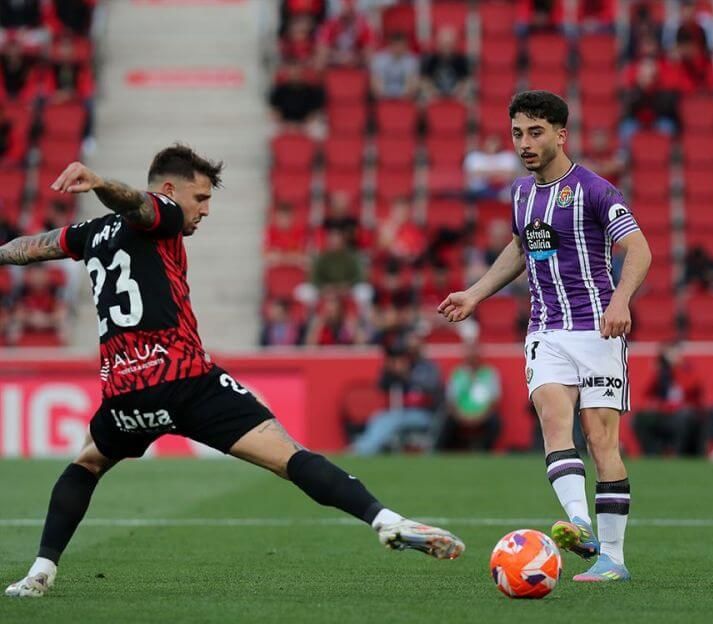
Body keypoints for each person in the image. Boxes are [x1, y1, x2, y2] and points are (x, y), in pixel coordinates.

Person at [0, 145, 464, 598]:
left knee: (87, 463)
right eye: (200, 198)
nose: (205, 211)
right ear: (169, 190)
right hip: (184, 379)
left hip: (126, 392)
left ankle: (40, 572)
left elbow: (29, 248)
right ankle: (387, 521)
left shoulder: (89, 232)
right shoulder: (162, 211)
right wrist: (101, 182)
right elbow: (137, 204)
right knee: (289, 456)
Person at [439, 91, 652, 583]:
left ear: (561, 134)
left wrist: (621, 301)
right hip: (546, 330)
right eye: (517, 133)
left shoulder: (597, 190)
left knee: (600, 439)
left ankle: (613, 560)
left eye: (535, 132)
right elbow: (519, 249)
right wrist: (475, 294)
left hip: (598, 329)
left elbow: (638, 250)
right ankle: (578, 523)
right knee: (555, 425)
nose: (525, 143)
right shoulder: (519, 195)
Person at [353, 336, 443, 455]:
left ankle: (363, 450)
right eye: (409, 349)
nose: (411, 352)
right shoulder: (402, 365)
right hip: (402, 412)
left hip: (425, 414)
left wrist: (406, 375)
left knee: (394, 419)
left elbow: (431, 386)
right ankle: (362, 447)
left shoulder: (428, 367)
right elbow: (382, 386)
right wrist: (388, 369)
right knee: (379, 417)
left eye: (414, 348)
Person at [632, 342, 705, 457]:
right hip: (665, 413)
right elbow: (645, 394)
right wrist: (657, 372)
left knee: (685, 416)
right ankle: (652, 454)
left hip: (683, 415)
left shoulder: (688, 370)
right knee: (640, 418)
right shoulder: (661, 373)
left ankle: (679, 455)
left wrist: (676, 369)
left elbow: (690, 389)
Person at [437, 340, 502, 451]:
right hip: (460, 415)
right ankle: (444, 452)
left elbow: (494, 400)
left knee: (495, 422)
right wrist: (462, 416)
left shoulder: (489, 373)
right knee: (446, 421)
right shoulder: (457, 373)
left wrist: (479, 417)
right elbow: (450, 400)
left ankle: (484, 451)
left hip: (483, 415)